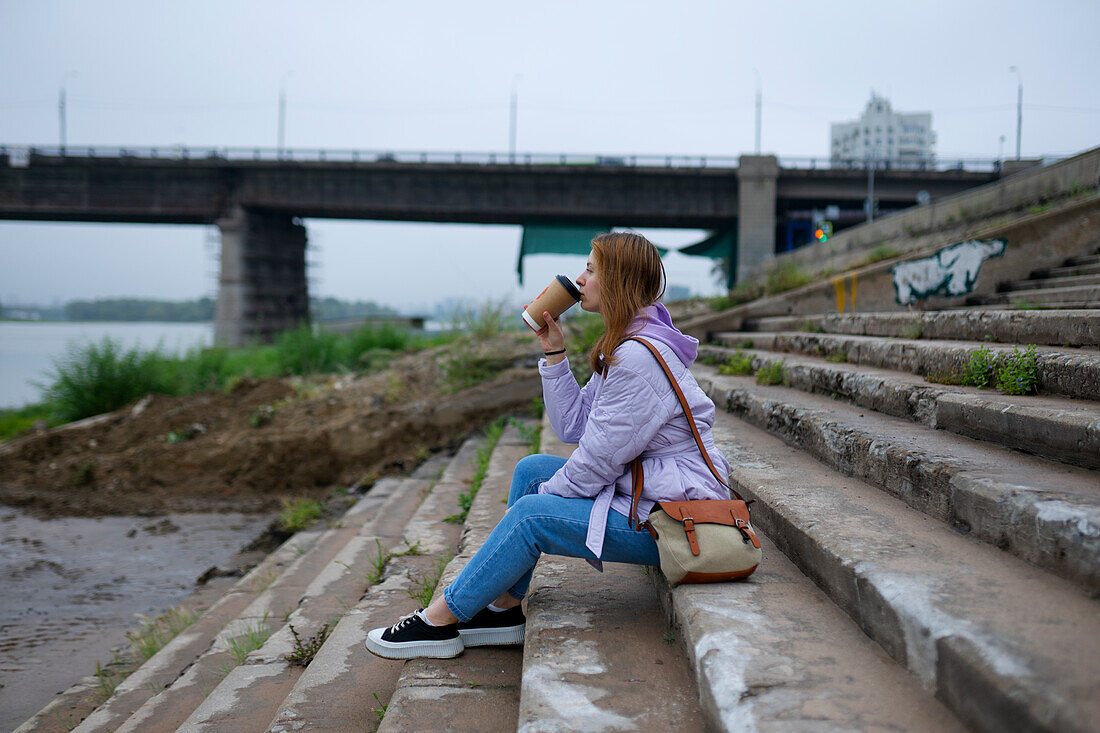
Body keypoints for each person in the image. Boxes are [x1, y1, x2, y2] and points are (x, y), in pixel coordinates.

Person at [364, 232, 731, 659]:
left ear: (617, 281)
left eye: (591, 270)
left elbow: (597, 462)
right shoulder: (629, 342)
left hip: (677, 522)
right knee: (532, 469)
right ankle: (504, 608)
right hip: (652, 497)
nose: (579, 278)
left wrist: (541, 504)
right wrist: (556, 355)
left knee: (531, 515)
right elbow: (574, 426)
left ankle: (440, 620)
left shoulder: (637, 358)